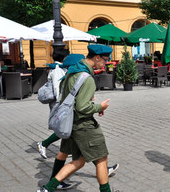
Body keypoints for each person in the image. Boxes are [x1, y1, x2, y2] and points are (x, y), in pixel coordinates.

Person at [38, 45, 114, 192]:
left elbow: (68, 97)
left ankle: (48, 188)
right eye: (105, 60)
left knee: (79, 161)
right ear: (97, 57)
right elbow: (82, 108)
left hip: (71, 124)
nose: (106, 63)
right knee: (101, 159)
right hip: (84, 126)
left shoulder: (72, 72)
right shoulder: (87, 78)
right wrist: (100, 107)